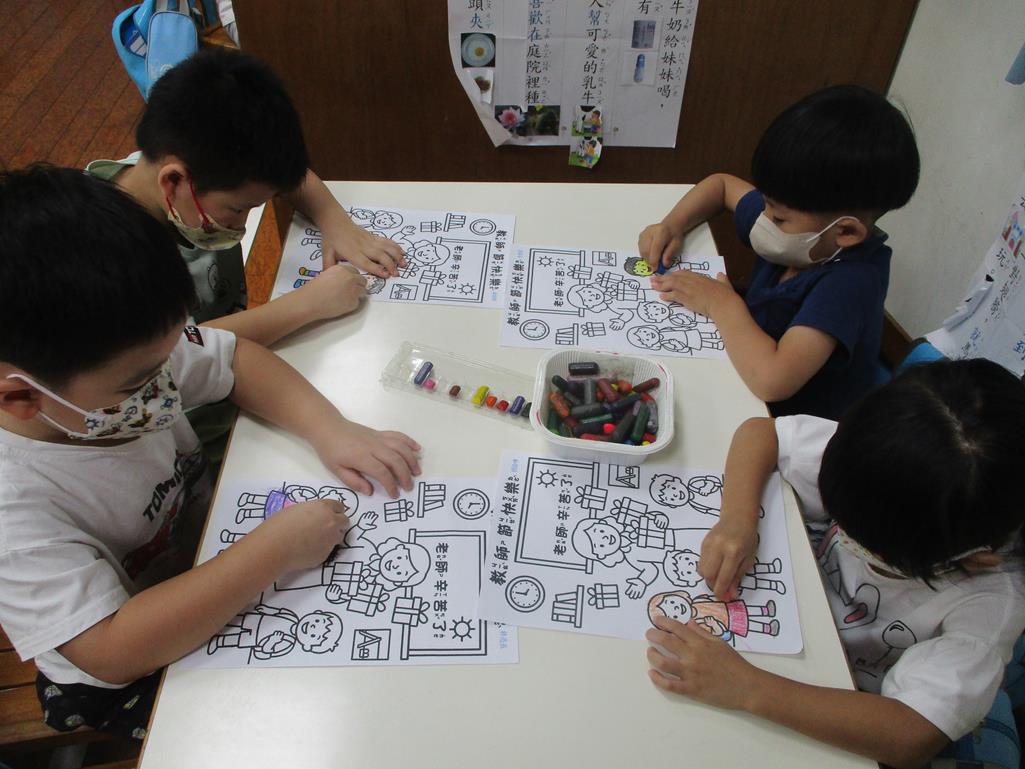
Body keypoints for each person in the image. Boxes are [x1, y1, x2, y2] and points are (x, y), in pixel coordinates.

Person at [0, 166, 420, 739]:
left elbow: (235, 359)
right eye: (138, 383)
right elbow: (109, 650)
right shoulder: (13, 507)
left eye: (169, 356)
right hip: (128, 661)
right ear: (21, 396)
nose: (165, 380)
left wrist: (332, 429)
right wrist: (273, 551)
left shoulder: (126, 344)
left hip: (203, 544)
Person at [645, 359, 1025, 768]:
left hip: (833, 696)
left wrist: (748, 688)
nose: (846, 536)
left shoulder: (990, 606)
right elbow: (761, 433)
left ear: (975, 557)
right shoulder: (880, 454)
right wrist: (737, 519)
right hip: (785, 623)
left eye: (870, 546)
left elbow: (911, 737)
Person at [87, 47, 406, 349]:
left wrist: (335, 222)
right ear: (173, 182)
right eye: (238, 209)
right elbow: (175, 353)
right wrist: (307, 305)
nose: (241, 227)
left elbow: (284, 179)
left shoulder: (183, 167)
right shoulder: (101, 260)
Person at [637, 85, 920, 419]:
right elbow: (721, 185)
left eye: (779, 217)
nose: (764, 218)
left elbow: (773, 381)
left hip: (796, 424)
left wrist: (721, 303)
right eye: (766, 204)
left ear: (846, 232)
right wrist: (673, 224)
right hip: (744, 376)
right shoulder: (806, 227)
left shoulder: (850, 284)